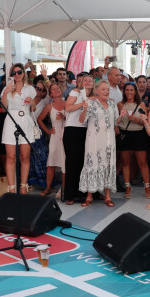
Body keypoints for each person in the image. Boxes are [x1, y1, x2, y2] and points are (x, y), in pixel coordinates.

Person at [78, 80, 118, 207]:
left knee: (108, 164)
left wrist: (122, 116)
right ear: (97, 91)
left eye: (107, 89)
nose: (106, 91)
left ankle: (107, 196)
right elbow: (81, 120)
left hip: (109, 140)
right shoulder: (90, 103)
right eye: (103, 89)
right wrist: (84, 109)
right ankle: (89, 196)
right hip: (94, 140)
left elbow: (116, 121)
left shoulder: (112, 103)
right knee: (92, 164)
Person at [1, 63, 37, 194]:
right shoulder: (8, 87)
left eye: (19, 72)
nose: (16, 75)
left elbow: (33, 109)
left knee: (25, 156)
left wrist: (31, 102)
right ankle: (11, 187)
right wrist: (6, 91)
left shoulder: (30, 89)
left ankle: (23, 186)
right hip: (11, 120)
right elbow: (4, 106)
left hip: (26, 120)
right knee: (10, 157)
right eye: (14, 72)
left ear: (24, 73)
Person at [116, 82, 150, 199]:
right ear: (124, 91)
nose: (129, 92)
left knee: (142, 162)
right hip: (125, 134)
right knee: (125, 162)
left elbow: (145, 121)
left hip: (139, 134)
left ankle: (147, 187)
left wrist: (136, 119)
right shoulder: (120, 104)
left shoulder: (141, 104)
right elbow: (117, 122)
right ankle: (127, 187)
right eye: (127, 90)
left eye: (131, 90)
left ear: (135, 92)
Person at [63, 75, 93, 204]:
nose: (87, 82)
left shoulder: (94, 96)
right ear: (80, 82)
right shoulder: (76, 92)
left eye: (90, 80)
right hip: (72, 129)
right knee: (71, 163)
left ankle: (83, 193)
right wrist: (82, 103)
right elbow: (67, 108)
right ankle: (69, 195)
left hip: (87, 130)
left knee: (83, 163)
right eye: (85, 80)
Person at [37, 83, 66, 197]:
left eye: (57, 88)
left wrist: (65, 117)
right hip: (54, 136)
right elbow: (39, 119)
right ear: (50, 94)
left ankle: (64, 188)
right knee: (51, 163)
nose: (56, 90)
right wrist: (48, 131)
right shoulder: (49, 106)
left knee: (65, 164)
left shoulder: (67, 103)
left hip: (65, 135)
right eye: (53, 89)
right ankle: (48, 188)